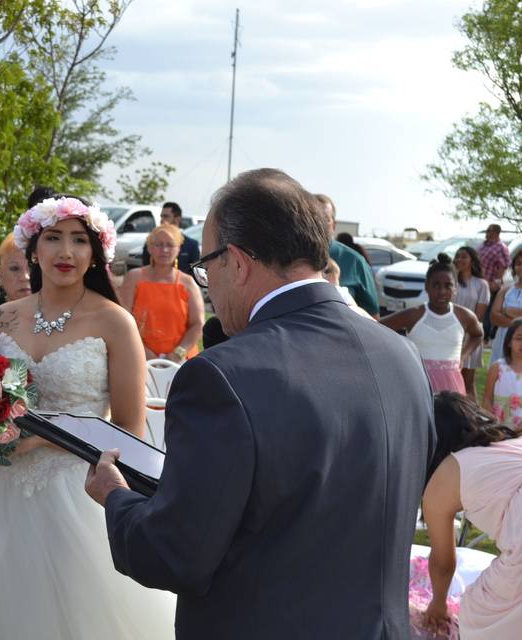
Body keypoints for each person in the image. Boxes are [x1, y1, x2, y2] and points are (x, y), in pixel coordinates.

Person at [85, 169, 435, 639]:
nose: (208, 285)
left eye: (206, 266)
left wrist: (116, 497)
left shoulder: (222, 375)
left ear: (237, 261)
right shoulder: (403, 356)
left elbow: (174, 554)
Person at [0, 195, 176, 639]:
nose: (66, 252)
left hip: (81, 488)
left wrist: (37, 439)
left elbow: (129, 430)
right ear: (33, 249)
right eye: (53, 239)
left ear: (95, 253)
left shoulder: (114, 321)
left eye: (79, 240)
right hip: (1, 490)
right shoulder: (2, 319)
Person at [421, 392, 522, 639]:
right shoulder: (517, 442)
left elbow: (442, 562)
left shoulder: (446, 474)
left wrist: (438, 603)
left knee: (478, 615)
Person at [379, 254, 483, 393]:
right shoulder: (414, 314)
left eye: (448, 286)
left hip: (451, 389)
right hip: (419, 385)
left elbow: (478, 334)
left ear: (455, 288)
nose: (442, 291)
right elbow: (377, 328)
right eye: (436, 285)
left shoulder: (464, 316)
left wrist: (463, 355)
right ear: (426, 287)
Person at [120, 223, 203, 362]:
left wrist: (178, 353)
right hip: (139, 357)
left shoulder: (188, 283)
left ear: (178, 249)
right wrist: (145, 353)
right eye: (158, 244)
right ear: (150, 248)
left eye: (170, 245)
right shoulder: (133, 278)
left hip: (181, 361)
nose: (164, 249)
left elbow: (198, 324)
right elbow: (123, 321)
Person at [315, 193, 379, 317]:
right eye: (313, 218)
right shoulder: (285, 259)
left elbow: (373, 317)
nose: (319, 224)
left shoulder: (355, 261)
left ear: (334, 225)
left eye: (325, 219)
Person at [453, 246, 490, 398]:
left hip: (471, 335)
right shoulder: (450, 280)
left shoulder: (481, 284)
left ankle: (475, 418)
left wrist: (466, 328)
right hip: (451, 334)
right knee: (453, 381)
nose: (459, 260)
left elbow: (479, 314)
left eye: (464, 257)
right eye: (457, 256)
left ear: (472, 261)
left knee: (468, 383)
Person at [482, 317, 522, 429]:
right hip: (500, 430)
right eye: (519, 338)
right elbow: (487, 399)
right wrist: (493, 424)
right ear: (509, 342)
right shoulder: (497, 368)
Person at [490, 247, 522, 363]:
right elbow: (494, 317)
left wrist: (507, 310)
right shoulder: (506, 290)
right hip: (502, 341)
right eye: (518, 263)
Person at [140, 201, 201, 276]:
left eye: (166, 216)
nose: (162, 220)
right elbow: (145, 270)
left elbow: (195, 274)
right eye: (161, 216)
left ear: (177, 219)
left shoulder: (191, 245)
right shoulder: (151, 243)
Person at [480, 224, 510, 338]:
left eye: (489, 231)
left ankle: (486, 335)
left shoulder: (500, 247)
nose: (487, 233)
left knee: (488, 310)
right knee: (481, 308)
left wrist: (496, 282)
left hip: (490, 284)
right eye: (486, 231)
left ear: (496, 233)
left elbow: (503, 265)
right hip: (481, 282)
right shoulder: (484, 245)